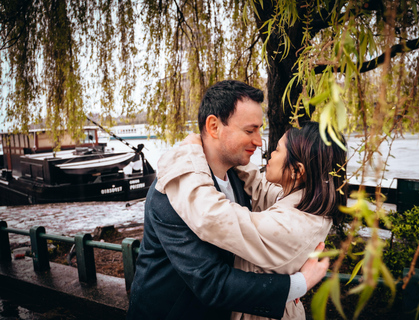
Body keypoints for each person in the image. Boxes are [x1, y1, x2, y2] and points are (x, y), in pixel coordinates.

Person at [127, 80, 330, 320]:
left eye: (259, 130)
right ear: (214, 126)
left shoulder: (240, 181)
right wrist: (298, 284)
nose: (259, 141)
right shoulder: (173, 191)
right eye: (249, 130)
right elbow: (212, 282)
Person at [155, 121, 347, 319]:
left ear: (297, 171)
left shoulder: (292, 225)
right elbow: (260, 187)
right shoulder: (305, 203)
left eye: (277, 150)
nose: (268, 152)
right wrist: (228, 150)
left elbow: (212, 216)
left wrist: (191, 155)